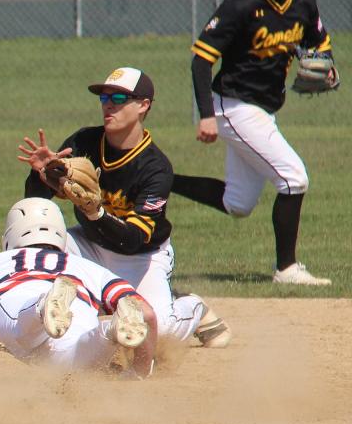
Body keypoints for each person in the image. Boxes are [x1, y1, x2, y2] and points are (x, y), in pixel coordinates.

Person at [18, 67, 229, 348]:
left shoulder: (156, 168)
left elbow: (132, 240)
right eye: (104, 98)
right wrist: (41, 175)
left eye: (118, 97)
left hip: (142, 258)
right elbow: (37, 200)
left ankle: (191, 308)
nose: (108, 104)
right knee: (32, 231)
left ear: (144, 105)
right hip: (88, 246)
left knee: (156, 331)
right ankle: (22, 319)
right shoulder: (84, 142)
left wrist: (95, 212)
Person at [179, 0, 335, 286]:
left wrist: (327, 66)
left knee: (238, 204)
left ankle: (161, 180)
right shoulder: (240, 6)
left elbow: (318, 45)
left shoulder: (304, 2)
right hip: (233, 106)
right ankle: (287, 269)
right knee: (294, 178)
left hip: (263, 109)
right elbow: (201, 60)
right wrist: (206, 115)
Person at [0, 198, 158, 385]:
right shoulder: (88, 267)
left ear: (9, 237)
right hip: (76, 307)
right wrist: (139, 372)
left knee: (22, 328)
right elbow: (146, 314)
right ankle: (110, 329)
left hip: (17, 299)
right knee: (79, 360)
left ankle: (41, 307)